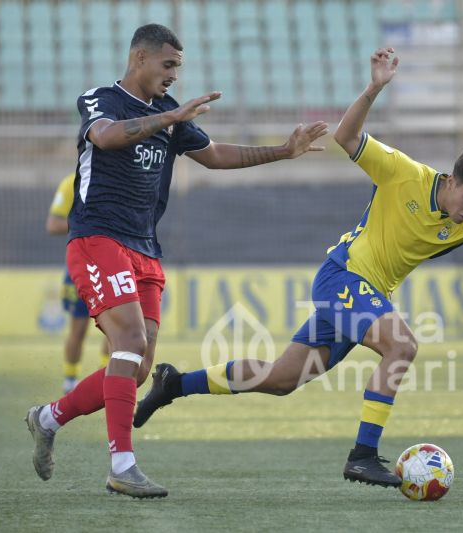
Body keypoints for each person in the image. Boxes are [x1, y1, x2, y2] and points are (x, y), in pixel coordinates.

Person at [133, 48, 463, 488]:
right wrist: (374, 88)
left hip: (361, 293)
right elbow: (347, 137)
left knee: (283, 379)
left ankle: (177, 383)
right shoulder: (404, 173)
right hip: (343, 278)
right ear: (453, 181)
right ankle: (363, 455)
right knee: (403, 344)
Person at [25, 23, 328, 498]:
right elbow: (105, 138)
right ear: (139, 58)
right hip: (97, 237)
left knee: (138, 365)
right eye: (168, 66)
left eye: (178, 68)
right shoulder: (100, 99)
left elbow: (215, 155)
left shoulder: (171, 111)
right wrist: (169, 120)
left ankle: (47, 418)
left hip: (145, 247)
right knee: (126, 340)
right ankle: (122, 465)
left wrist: (283, 151)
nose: (173, 77)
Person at [47, 173, 110, 393]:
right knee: (79, 328)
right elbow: (53, 224)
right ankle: (70, 380)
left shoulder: (117, 178)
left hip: (111, 266)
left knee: (116, 329)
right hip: (80, 268)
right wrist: (85, 223)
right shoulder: (70, 183)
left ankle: (108, 378)